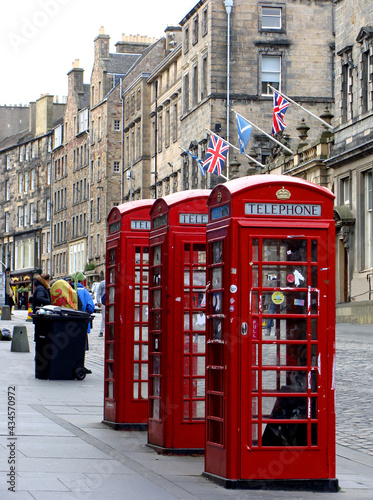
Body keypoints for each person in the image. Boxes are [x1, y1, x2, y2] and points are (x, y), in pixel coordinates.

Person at [72, 272, 95, 374]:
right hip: (82, 322)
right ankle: (80, 365)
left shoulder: (69, 290)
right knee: (81, 345)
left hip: (69, 322)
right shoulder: (85, 292)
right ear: (82, 281)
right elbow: (91, 308)